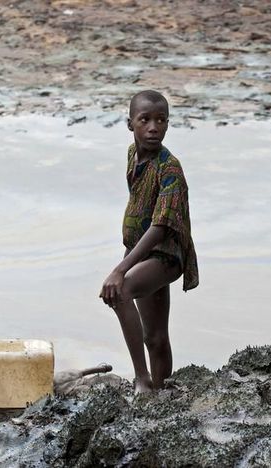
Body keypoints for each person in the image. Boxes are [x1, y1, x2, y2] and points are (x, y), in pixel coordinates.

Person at [99, 90, 198, 393]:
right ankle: (160, 390)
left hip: (165, 254)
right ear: (131, 124)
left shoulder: (170, 169)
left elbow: (160, 226)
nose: (154, 127)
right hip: (142, 251)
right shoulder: (134, 154)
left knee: (121, 290)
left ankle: (142, 380)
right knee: (154, 336)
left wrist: (121, 268)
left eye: (161, 121)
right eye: (145, 120)